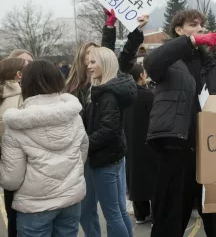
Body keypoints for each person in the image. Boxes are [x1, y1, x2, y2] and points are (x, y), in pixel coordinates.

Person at [144, 9, 216, 237]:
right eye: (193, 25)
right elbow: (151, 63)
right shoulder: (169, 62)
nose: (201, 29)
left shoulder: (213, 64)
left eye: (202, 25)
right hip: (176, 152)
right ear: (179, 30)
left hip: (211, 152)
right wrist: (190, 42)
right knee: (169, 223)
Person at [0, 60, 89, 237]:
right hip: (71, 200)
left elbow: (11, 179)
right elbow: (82, 152)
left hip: (35, 206)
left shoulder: (17, 124)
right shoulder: (73, 115)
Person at [82, 47, 136, 237]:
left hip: (105, 159)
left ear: (105, 63)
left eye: (93, 62)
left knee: (112, 214)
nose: (89, 66)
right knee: (119, 211)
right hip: (113, 156)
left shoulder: (107, 94)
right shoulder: (105, 89)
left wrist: (84, 145)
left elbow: (109, 130)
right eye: (88, 62)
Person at [125, 64, 156, 224]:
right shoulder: (148, 95)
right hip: (147, 141)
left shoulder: (124, 97)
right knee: (152, 177)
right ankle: (155, 212)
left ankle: (140, 214)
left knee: (135, 177)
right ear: (142, 76)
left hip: (129, 141)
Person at [0, 57, 26, 237]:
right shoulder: (20, 97)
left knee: (12, 215)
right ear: (19, 75)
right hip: (21, 165)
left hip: (6, 164)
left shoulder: (2, 94)